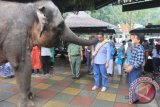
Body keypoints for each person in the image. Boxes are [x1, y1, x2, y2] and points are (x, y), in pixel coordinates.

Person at [124, 34, 144, 103]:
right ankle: (131, 96)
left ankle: (134, 99)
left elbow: (140, 61)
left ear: (138, 40)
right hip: (132, 69)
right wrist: (128, 64)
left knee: (134, 84)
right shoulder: (136, 47)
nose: (133, 38)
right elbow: (133, 58)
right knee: (130, 83)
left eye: (135, 37)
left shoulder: (140, 48)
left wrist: (132, 66)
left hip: (135, 70)